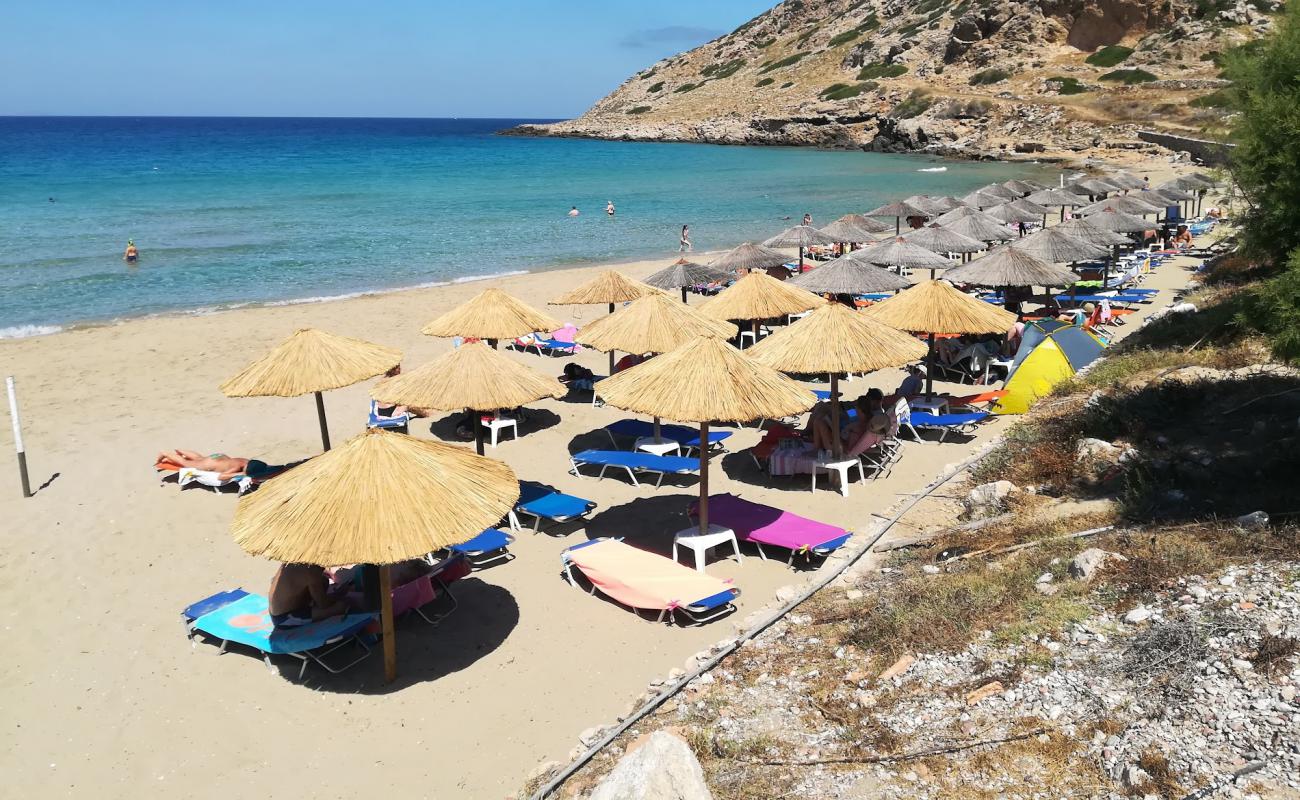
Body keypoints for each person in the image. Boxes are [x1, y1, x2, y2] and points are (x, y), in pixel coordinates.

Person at [268, 563, 349, 626]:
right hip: (283, 619)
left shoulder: (293, 561)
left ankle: (313, 603)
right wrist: (338, 595)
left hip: (277, 609)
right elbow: (323, 604)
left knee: (324, 581)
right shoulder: (311, 571)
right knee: (341, 606)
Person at [155, 449, 257, 481]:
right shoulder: (236, 468)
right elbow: (221, 477)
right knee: (185, 463)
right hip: (209, 464)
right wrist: (240, 474)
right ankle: (165, 454)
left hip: (219, 457)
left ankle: (180, 450)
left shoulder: (246, 461)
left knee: (200, 458)